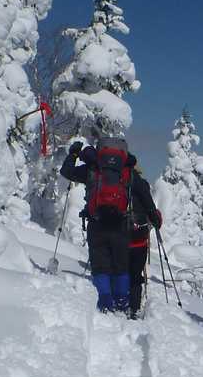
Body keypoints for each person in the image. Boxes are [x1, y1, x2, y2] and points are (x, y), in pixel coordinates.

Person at [60, 136, 159, 314]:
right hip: (120, 225)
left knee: (100, 266)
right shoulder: (128, 172)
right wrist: (155, 218)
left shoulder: (92, 169)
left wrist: (73, 154)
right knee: (121, 266)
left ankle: (105, 302)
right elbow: (145, 196)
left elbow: (66, 172)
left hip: (96, 223)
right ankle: (122, 303)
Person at [128, 163, 161, 317]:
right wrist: (156, 219)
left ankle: (121, 302)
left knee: (121, 270)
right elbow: (151, 211)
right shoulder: (142, 185)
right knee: (135, 274)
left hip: (119, 237)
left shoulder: (117, 183)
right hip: (139, 238)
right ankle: (134, 308)